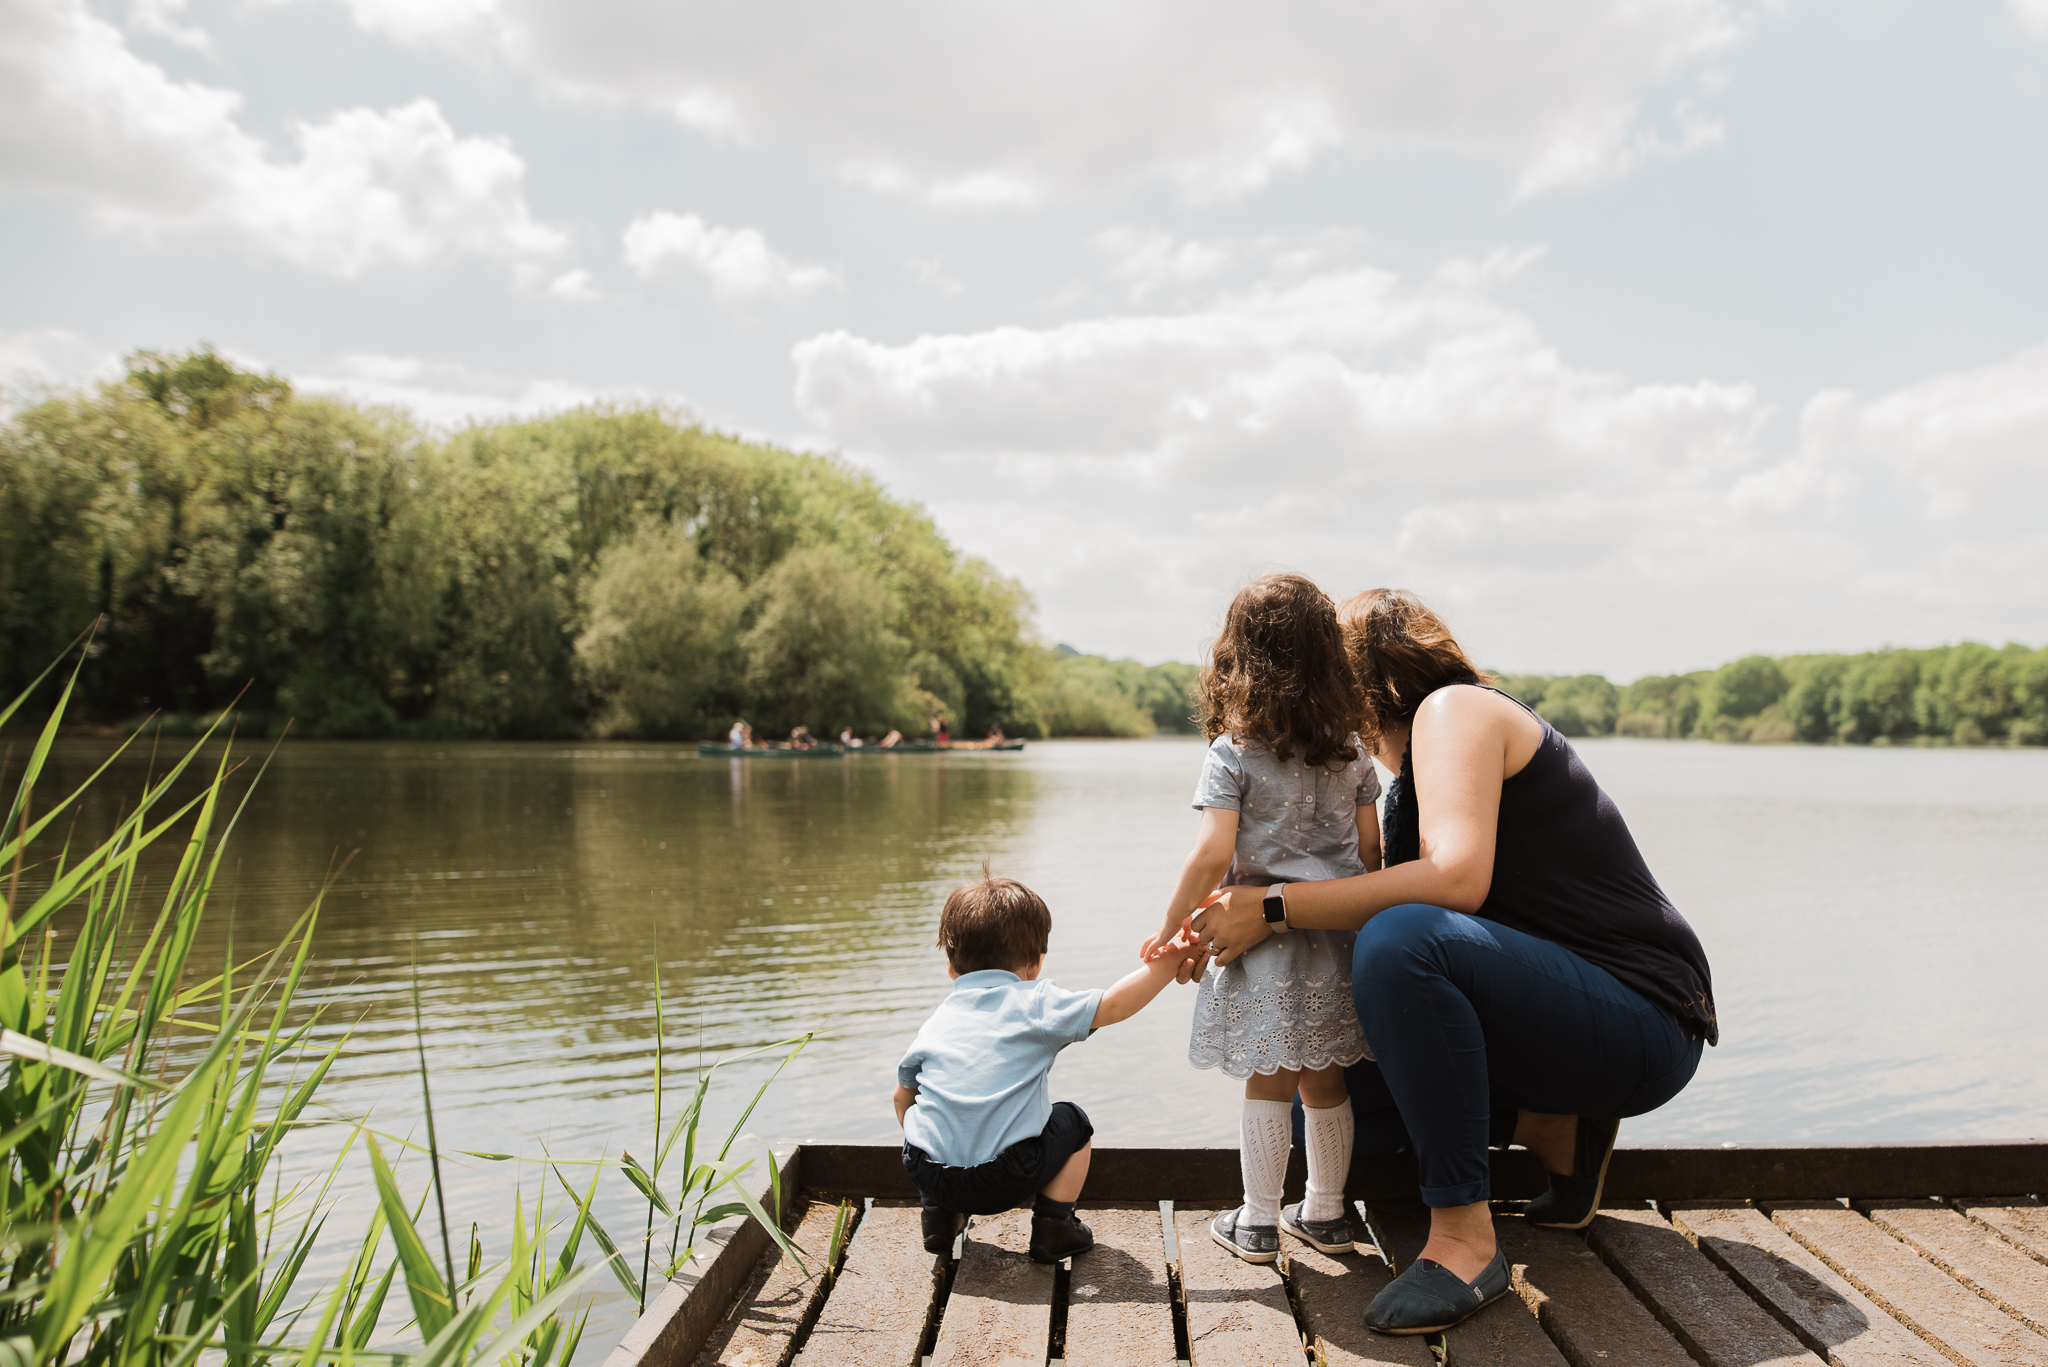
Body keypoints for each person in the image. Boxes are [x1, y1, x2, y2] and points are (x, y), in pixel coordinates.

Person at [1188, 588, 1715, 1335]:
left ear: (1361, 676)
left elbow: (1456, 880)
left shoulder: (1456, 710)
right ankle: (1556, 1129)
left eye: (1325, 670)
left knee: (1401, 941)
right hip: (1559, 1024)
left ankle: (1466, 1242)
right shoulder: (1399, 787)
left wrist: (1271, 905)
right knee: (1320, 1120)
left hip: (1642, 1017)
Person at [1148, 573, 1380, 1265]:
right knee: (1327, 1079)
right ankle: (1330, 1213)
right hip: (1336, 937)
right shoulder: (1354, 750)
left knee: (1269, 1080)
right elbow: (1372, 853)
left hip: (1265, 943)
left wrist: (1171, 924)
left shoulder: (1233, 751)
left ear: (1239, 659)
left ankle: (1255, 1221)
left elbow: (1213, 851)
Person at [896, 870, 1199, 1263]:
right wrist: (1170, 958)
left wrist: (939, 1156)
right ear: (1036, 964)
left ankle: (938, 1216)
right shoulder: (1033, 1001)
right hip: (1003, 1179)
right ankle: (1054, 1227)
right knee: (1072, 1121)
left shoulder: (937, 1020)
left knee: (926, 1117)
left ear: (952, 968)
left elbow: (902, 1096)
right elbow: (1113, 1005)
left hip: (929, 1173)